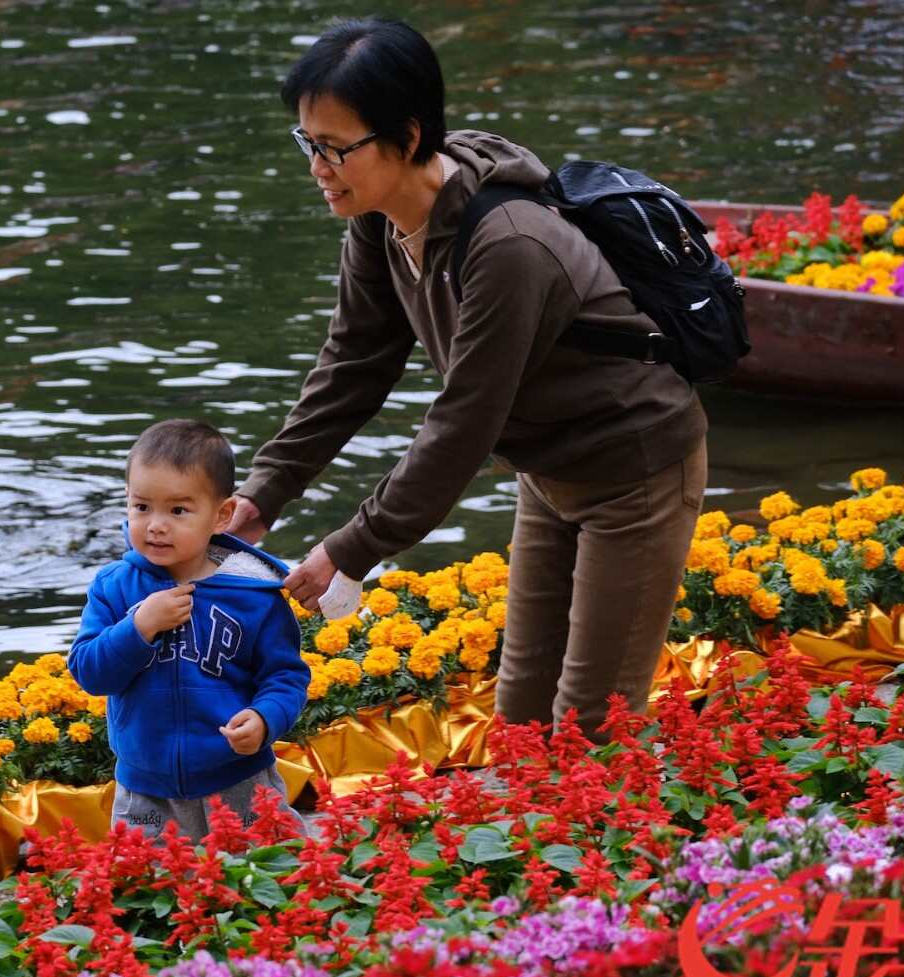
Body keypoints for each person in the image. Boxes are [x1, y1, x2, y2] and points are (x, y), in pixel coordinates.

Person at [228, 18, 707, 737]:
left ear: (408, 137)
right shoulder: (377, 217)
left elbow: (463, 424)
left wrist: (350, 549)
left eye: (335, 148)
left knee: (591, 727)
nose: (318, 167)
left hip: (632, 471)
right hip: (547, 470)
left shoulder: (509, 245)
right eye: (308, 143)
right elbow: (355, 364)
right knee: (519, 719)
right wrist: (264, 493)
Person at [68, 418, 310, 840]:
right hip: (145, 791)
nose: (156, 524)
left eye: (178, 510)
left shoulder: (254, 595)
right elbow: (90, 673)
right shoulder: (114, 587)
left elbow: (285, 677)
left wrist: (264, 717)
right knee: (147, 879)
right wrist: (138, 627)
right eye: (142, 507)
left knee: (268, 869)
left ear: (222, 515)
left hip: (239, 779)